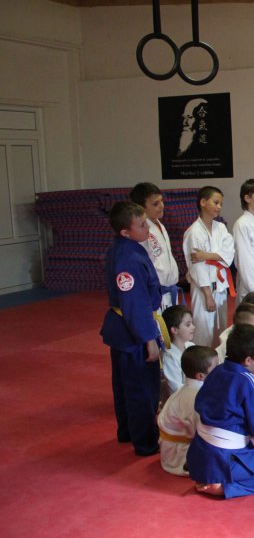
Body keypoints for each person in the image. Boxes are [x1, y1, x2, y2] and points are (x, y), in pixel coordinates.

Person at [186, 324, 254, 499]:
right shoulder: (248, 382)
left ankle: (215, 478)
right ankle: (224, 488)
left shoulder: (216, 371)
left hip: (199, 455)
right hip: (224, 460)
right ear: (248, 360)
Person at [100, 201, 164, 457]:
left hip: (122, 330)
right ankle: (146, 441)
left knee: (124, 385)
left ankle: (127, 431)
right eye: (141, 225)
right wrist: (149, 338)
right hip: (133, 332)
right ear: (125, 232)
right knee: (142, 388)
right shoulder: (129, 258)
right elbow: (134, 302)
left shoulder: (123, 248)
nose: (147, 228)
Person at [182, 186, 234, 347]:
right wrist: (207, 294)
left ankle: (218, 359)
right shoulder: (193, 232)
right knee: (203, 330)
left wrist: (206, 256)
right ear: (203, 202)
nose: (219, 207)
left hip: (220, 286)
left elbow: (229, 254)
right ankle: (202, 360)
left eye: (221, 204)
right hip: (203, 289)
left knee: (221, 329)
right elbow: (196, 267)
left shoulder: (221, 227)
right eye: (216, 202)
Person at [157, 345, 216, 476]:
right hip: (179, 455)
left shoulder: (187, 390)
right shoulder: (196, 397)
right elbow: (204, 432)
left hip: (176, 445)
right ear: (200, 376)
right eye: (215, 368)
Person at [130, 182, 180, 310]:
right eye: (155, 204)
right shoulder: (141, 232)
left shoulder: (159, 225)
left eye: (161, 201)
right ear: (141, 207)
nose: (161, 206)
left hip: (169, 288)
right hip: (155, 292)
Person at [160, 305, 196, 397]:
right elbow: (176, 387)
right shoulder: (169, 356)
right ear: (175, 330)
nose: (193, 327)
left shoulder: (191, 346)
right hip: (181, 398)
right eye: (188, 325)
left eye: (192, 323)